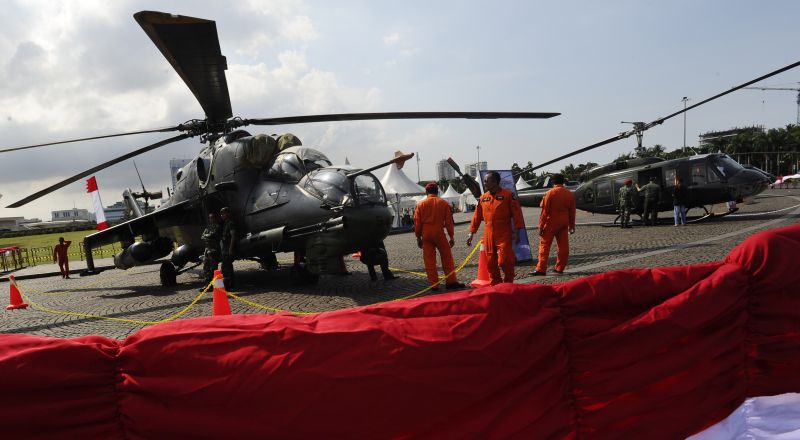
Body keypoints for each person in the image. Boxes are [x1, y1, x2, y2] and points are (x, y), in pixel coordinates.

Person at [466, 171, 525, 285]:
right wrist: (471, 233)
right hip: (488, 233)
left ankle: (508, 282)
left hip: (504, 232)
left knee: (504, 261)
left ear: (495, 182)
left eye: (486, 181)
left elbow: (517, 214)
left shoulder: (508, 195)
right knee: (490, 263)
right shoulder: (483, 198)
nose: (484, 183)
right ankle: (495, 285)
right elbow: (477, 216)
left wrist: (518, 231)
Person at [414, 182, 465, 290]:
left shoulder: (420, 204)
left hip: (426, 234)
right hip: (439, 232)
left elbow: (417, 223)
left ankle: (434, 284)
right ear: (437, 192)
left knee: (429, 260)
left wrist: (418, 237)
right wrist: (451, 236)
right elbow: (449, 222)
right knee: (447, 257)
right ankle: (451, 282)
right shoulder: (443, 203)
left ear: (426, 192)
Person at [532, 174, 576, 276]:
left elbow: (544, 212)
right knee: (563, 246)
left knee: (544, 245)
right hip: (564, 223)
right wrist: (572, 226)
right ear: (563, 181)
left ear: (553, 182)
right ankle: (560, 268)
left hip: (551, 222)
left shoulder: (550, 193)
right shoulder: (570, 194)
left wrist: (541, 226)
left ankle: (541, 269)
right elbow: (572, 212)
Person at [200, 212, 222, 286]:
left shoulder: (217, 227)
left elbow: (213, 234)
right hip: (207, 249)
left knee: (213, 268)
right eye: (210, 217)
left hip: (214, 249)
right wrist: (208, 236)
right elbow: (202, 236)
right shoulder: (208, 227)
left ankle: (215, 284)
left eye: (212, 217)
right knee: (206, 267)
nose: (211, 219)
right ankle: (208, 284)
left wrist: (207, 236)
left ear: (215, 218)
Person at [219, 207, 237, 290]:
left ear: (228, 214)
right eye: (222, 214)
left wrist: (230, 248)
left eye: (224, 213)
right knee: (225, 267)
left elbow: (233, 236)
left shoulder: (230, 223)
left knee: (227, 267)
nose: (222, 215)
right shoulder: (225, 223)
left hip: (228, 248)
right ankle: (229, 285)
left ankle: (230, 286)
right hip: (225, 249)